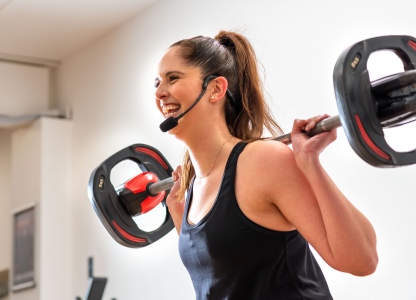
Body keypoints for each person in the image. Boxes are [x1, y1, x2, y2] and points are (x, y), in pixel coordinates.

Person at [154, 30, 378, 300]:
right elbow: (220, 280)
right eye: (156, 82)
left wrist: (310, 164)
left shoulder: (262, 160)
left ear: (215, 89)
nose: (159, 92)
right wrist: (180, 217)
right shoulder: (190, 191)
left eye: (173, 78)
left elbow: (362, 259)